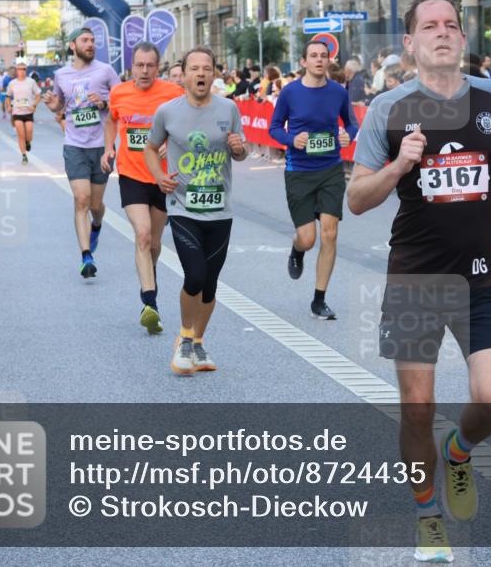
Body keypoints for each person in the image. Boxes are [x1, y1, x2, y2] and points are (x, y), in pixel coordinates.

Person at [347, 0, 491, 563]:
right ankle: (427, 514)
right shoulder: (390, 110)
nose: (443, 33)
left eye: (451, 24)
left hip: (481, 277)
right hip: (416, 277)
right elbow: (355, 198)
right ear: (410, 42)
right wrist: (401, 164)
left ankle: (460, 451)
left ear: (462, 37)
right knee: (416, 407)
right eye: (430, 26)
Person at [145, 47, 247, 375]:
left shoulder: (228, 108)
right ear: (184, 75)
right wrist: (159, 176)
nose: (201, 74)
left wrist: (238, 149)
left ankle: (199, 342)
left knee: (212, 284)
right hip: (183, 207)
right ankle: (185, 338)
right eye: (194, 69)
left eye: (207, 68)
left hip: (220, 209)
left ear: (214, 73)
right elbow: (149, 148)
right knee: (195, 275)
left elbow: (241, 150)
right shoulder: (167, 112)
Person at [270, 40, 359, 320]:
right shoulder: (290, 92)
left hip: (331, 169)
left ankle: (319, 300)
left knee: (330, 232)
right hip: (299, 171)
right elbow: (274, 127)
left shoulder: (337, 92)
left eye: (323, 56)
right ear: (304, 62)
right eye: (313, 56)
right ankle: (298, 249)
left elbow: (352, 123)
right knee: (308, 239)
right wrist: (291, 139)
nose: (319, 60)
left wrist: (349, 136)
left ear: (328, 60)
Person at [104, 41, 184, 335]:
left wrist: (170, 143)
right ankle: (149, 301)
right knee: (142, 234)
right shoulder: (119, 92)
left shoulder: (173, 93)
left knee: (154, 243)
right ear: (132, 66)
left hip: (164, 178)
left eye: (151, 65)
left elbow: (187, 126)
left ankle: (150, 279)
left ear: (159, 66)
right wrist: (107, 149)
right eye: (140, 65)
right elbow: (111, 120)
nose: (145, 70)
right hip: (131, 174)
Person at [42, 27, 121, 279]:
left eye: (93, 41)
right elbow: (61, 105)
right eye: (85, 40)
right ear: (72, 45)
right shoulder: (61, 75)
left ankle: (97, 224)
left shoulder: (106, 71)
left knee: (96, 205)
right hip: (74, 146)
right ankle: (86, 256)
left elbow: (122, 102)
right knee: (82, 199)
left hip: (101, 146)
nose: (90, 44)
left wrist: (105, 103)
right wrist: (53, 104)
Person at [5, 63, 41, 164]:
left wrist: (34, 105)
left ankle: (28, 142)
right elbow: (8, 96)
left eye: (24, 69)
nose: (22, 71)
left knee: (29, 133)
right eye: (20, 69)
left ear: (26, 70)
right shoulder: (12, 83)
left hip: (28, 111)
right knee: (20, 134)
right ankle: (24, 155)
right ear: (17, 71)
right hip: (17, 112)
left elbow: (38, 95)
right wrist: (9, 106)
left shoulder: (31, 82)